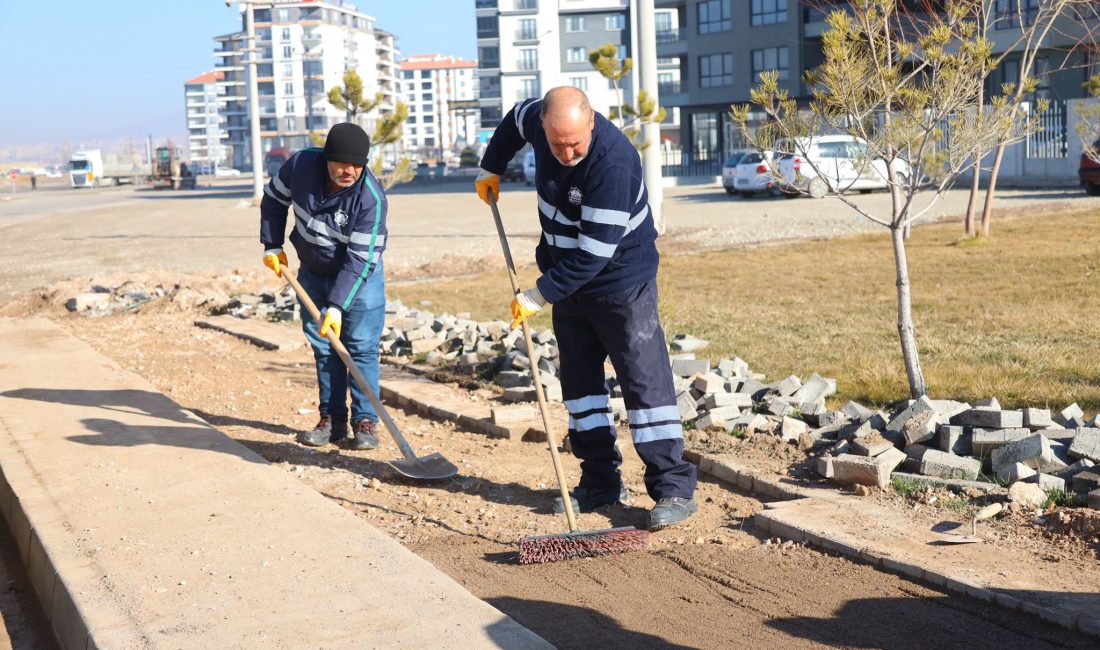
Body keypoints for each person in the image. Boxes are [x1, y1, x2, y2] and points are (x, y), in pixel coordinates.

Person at [474, 87, 698, 530]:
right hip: (567, 280)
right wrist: (491, 166)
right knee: (581, 389)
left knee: (644, 382)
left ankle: (672, 487)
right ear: (545, 128)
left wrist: (538, 294)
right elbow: (513, 120)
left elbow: (594, 254)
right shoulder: (537, 120)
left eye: (575, 142)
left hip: (621, 283)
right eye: (557, 144)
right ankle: (599, 483)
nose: (567, 151)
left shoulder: (614, 163)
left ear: (591, 123)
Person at [260, 122, 388, 451]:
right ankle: (332, 421)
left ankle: (365, 422)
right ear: (326, 159)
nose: (349, 171)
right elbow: (273, 200)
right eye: (342, 164)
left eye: (357, 165)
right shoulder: (301, 166)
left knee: (359, 348)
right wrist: (272, 244)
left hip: (359, 279)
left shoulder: (370, 200)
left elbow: (360, 260)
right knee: (324, 348)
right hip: (313, 271)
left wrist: (337, 306)